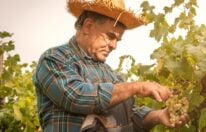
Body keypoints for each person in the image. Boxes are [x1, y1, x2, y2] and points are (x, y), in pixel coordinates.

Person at [32, 0, 188, 131]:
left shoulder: (112, 75)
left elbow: (131, 116)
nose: (114, 46)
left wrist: (158, 116)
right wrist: (137, 87)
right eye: (110, 36)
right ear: (88, 26)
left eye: (117, 40)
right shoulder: (54, 59)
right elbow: (77, 97)